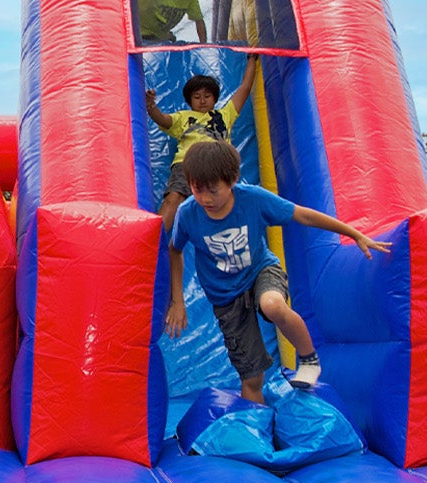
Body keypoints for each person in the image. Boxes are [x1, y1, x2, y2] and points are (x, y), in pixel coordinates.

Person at [164, 138, 390, 400]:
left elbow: (303, 215)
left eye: (213, 191)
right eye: (196, 189)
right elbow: (175, 250)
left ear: (233, 179)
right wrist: (177, 302)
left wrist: (354, 234)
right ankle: (257, 433)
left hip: (260, 270)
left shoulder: (253, 200)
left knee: (272, 304)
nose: (204, 198)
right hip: (224, 296)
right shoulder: (188, 213)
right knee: (252, 378)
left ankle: (308, 358)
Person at [145, 57, 258, 231]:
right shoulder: (183, 117)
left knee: (225, 204)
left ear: (214, 98)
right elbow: (162, 119)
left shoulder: (224, 114)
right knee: (173, 198)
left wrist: (252, 59)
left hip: (217, 163)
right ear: (190, 101)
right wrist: (151, 106)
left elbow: (244, 87)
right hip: (188, 163)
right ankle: (154, 242)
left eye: (207, 96)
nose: (203, 100)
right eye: (197, 97)